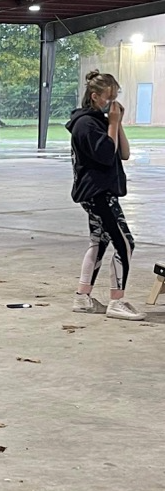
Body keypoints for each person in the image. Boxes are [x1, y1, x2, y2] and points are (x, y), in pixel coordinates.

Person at [67, 70, 144, 321]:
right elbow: (105, 154)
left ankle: (83, 296)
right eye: (109, 98)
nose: (113, 103)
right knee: (125, 243)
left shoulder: (100, 121)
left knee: (99, 241)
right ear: (95, 96)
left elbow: (123, 153)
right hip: (98, 194)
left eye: (116, 97)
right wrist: (111, 123)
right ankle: (116, 300)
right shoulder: (85, 124)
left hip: (102, 192)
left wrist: (116, 123)